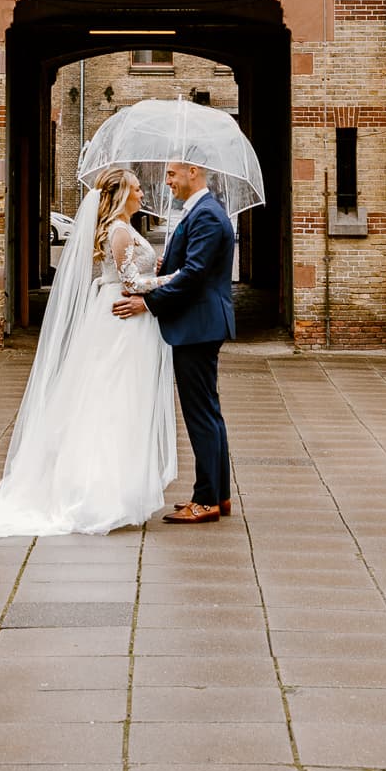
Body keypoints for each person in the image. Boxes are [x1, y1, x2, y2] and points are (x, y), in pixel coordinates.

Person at [0, 166, 175, 563]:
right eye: (137, 187)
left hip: (124, 322)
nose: (143, 192)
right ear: (120, 193)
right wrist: (176, 279)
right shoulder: (119, 230)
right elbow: (131, 284)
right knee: (112, 403)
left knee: (117, 403)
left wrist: (157, 268)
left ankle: (115, 487)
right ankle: (100, 492)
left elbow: (133, 273)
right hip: (121, 324)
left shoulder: (124, 228)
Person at [113, 157, 234, 524]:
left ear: (191, 172)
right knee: (208, 411)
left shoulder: (207, 214)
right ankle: (219, 495)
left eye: (171, 173)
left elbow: (195, 275)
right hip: (199, 323)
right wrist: (165, 265)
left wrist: (148, 303)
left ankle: (207, 500)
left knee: (200, 414)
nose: (167, 181)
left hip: (198, 324)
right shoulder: (198, 212)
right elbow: (190, 266)